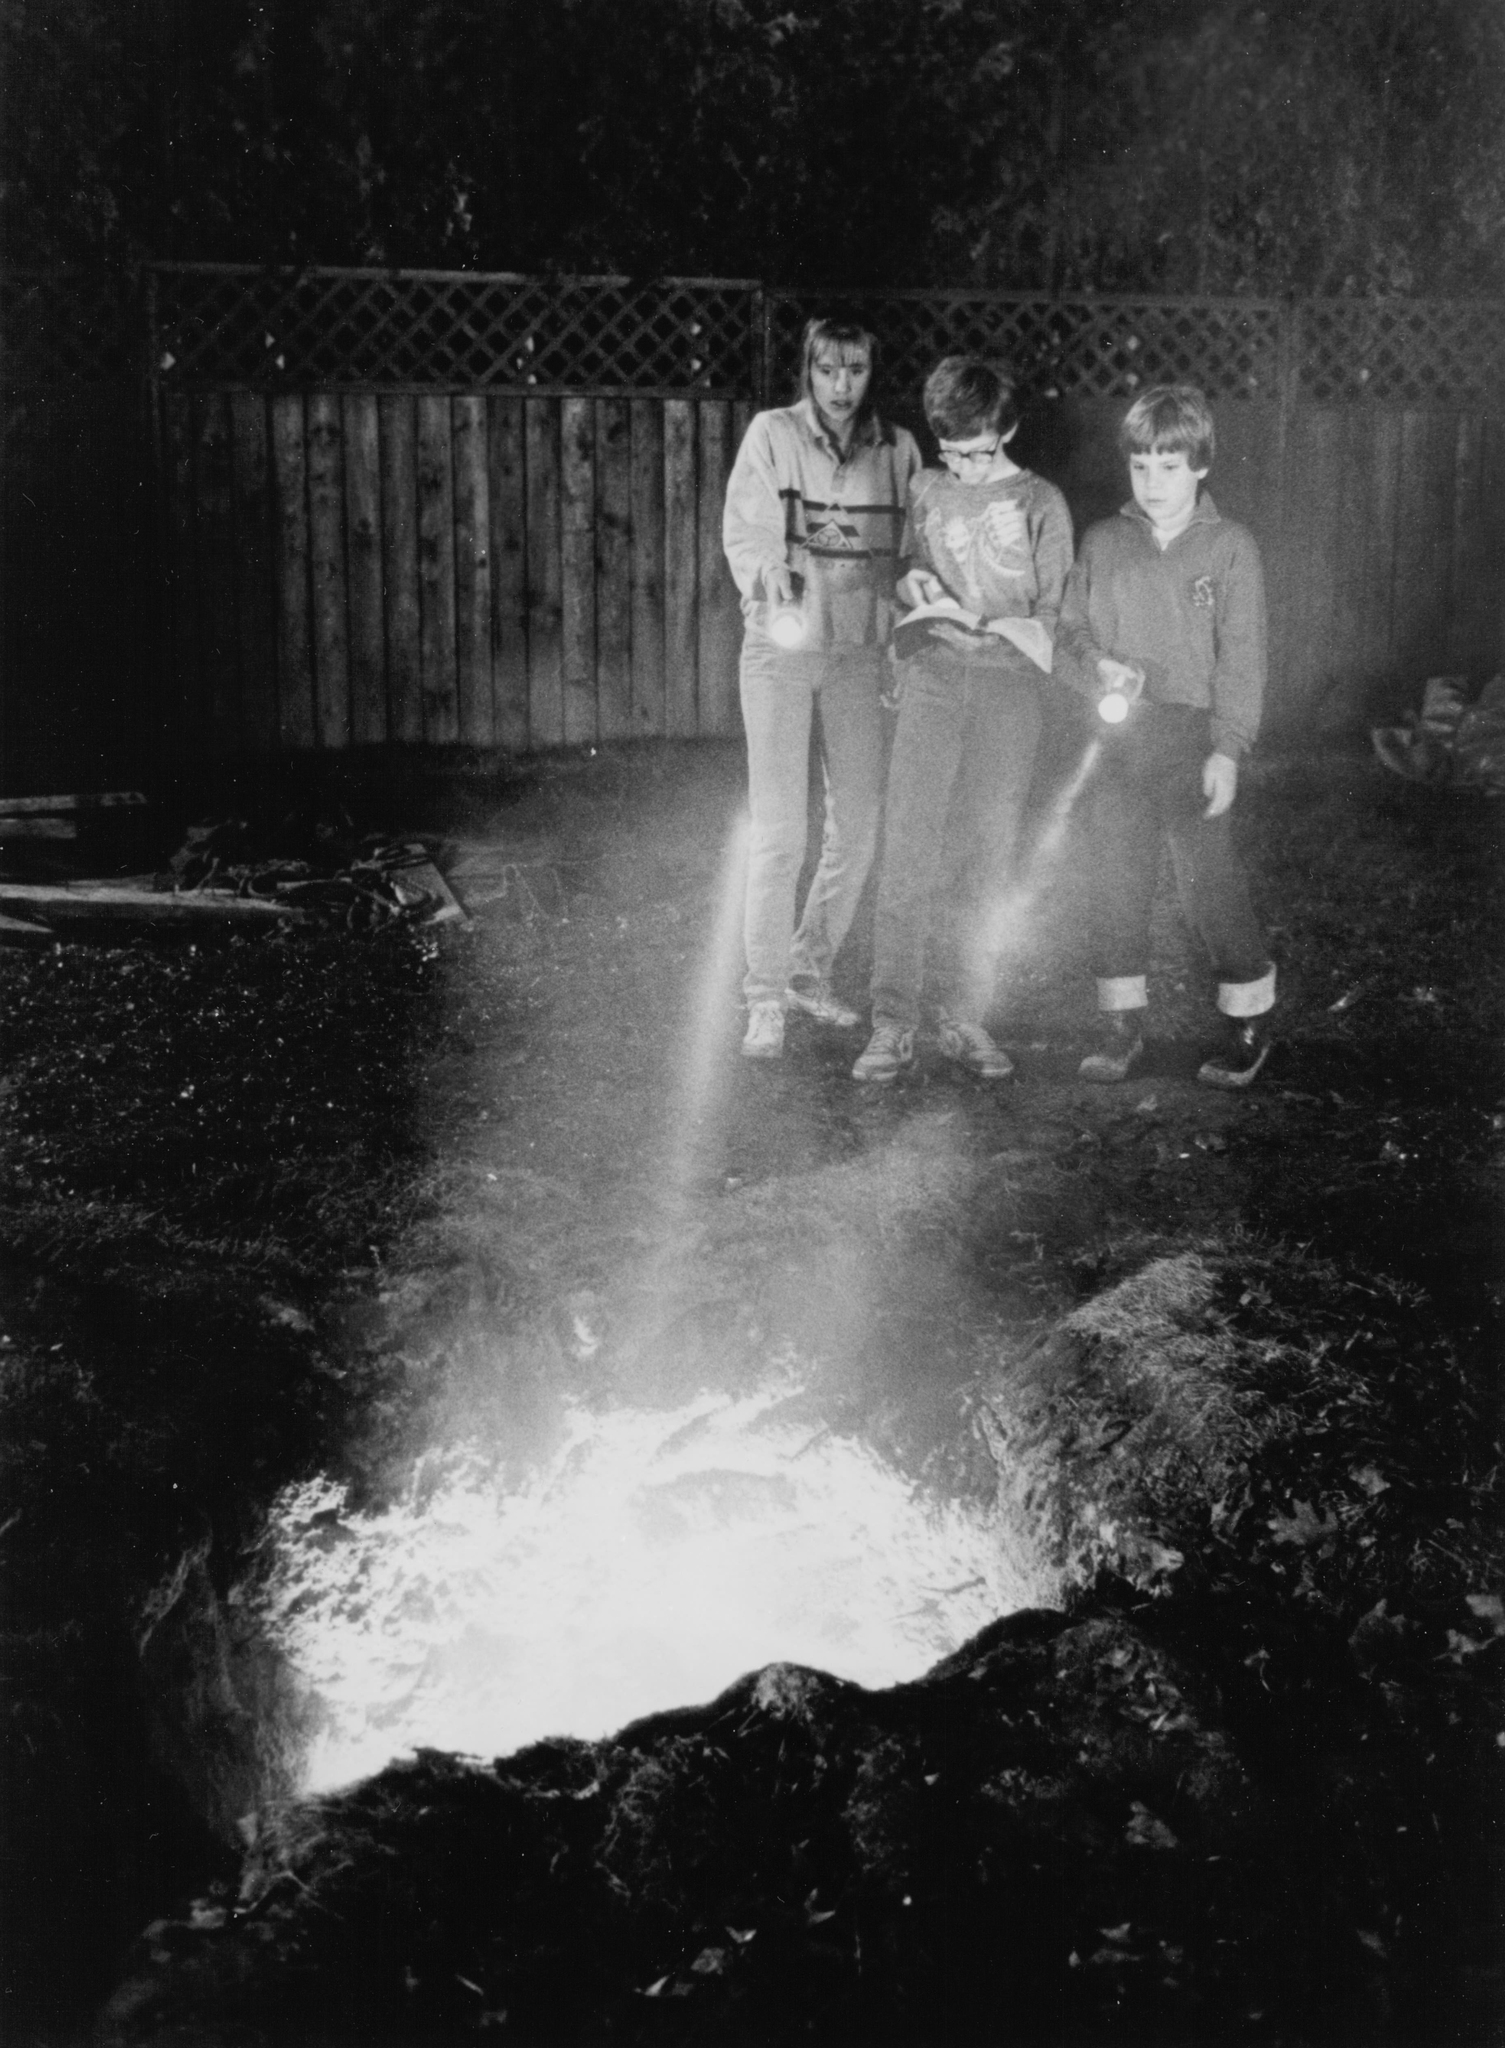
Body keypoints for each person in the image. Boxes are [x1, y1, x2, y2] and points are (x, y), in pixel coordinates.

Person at [851, 356, 1074, 1084]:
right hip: (934, 680)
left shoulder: (1042, 503)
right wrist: (910, 580)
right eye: (950, 453)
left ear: (1007, 430)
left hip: (1009, 690)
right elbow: (911, 565)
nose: (965, 469)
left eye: (978, 453)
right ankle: (891, 1022)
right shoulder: (926, 487)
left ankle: (965, 1015)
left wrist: (1016, 629)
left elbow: (1057, 612)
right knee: (909, 846)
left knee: (985, 851)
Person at [1054, 382, 1276, 1088]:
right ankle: (1121, 1025)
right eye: (1141, 465)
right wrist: (1099, 669)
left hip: (1192, 735)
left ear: (1200, 465)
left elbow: (1243, 657)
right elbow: (1069, 633)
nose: (1153, 482)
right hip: (1119, 733)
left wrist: (1227, 749)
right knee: (1116, 879)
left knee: (1205, 882)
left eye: (1169, 466)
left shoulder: (1230, 547)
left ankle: (1246, 1019)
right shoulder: (1103, 540)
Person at [722, 316, 922, 1059]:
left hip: (858, 654)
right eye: (828, 370)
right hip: (782, 649)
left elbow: (912, 550)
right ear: (806, 370)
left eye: (856, 370)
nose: (841, 387)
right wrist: (766, 572)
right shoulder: (771, 435)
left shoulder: (898, 449)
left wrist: (903, 639)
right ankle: (764, 996)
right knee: (780, 833)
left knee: (859, 825)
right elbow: (745, 534)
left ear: (873, 372)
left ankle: (809, 970)